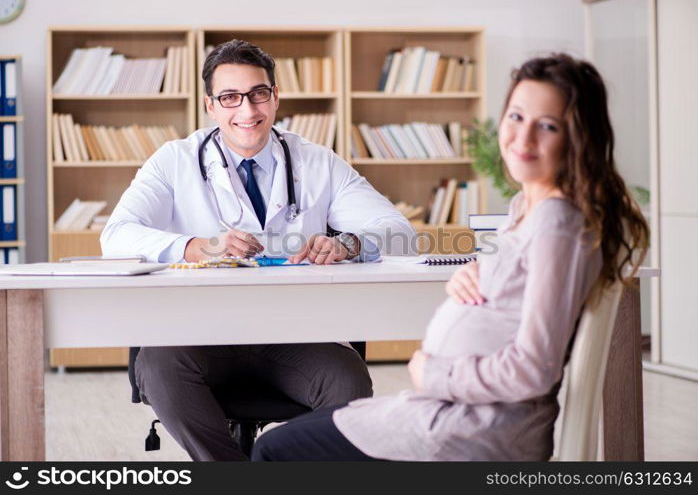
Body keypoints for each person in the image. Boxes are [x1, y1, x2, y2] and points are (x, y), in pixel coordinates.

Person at [251, 53, 650, 461]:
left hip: (471, 428)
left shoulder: (557, 223)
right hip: (447, 411)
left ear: (579, 137)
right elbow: (522, 280)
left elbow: (534, 368)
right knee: (297, 436)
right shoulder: (525, 209)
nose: (523, 138)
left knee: (272, 450)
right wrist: (475, 272)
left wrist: (435, 373)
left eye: (547, 126)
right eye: (515, 117)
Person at [100, 39, 415, 461]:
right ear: (211, 105)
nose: (247, 111)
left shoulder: (317, 162)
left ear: (275, 97)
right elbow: (115, 235)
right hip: (198, 332)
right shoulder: (174, 161)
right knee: (158, 369)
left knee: (348, 383)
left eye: (258, 94)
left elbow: (399, 232)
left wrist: (348, 243)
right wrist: (195, 247)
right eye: (230, 97)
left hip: (296, 332)